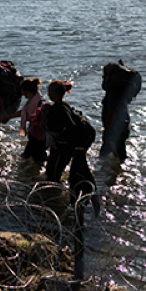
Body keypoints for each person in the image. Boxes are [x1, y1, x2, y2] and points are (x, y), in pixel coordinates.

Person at [45, 80, 99, 214]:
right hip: (80, 139)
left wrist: (65, 145)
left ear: (55, 93)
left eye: (49, 92)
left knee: (75, 171)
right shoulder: (60, 105)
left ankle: (81, 201)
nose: (48, 95)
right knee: (73, 170)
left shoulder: (60, 107)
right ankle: (82, 200)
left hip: (78, 141)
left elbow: (71, 127)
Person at [99, 60, 142, 161]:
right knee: (107, 155)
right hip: (121, 128)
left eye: (105, 75)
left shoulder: (115, 94)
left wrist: (106, 133)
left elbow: (111, 114)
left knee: (119, 156)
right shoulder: (119, 91)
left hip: (114, 131)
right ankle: (111, 173)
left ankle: (119, 173)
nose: (103, 77)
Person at [18, 77, 48, 165]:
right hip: (34, 133)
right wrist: (10, 116)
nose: (23, 95)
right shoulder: (33, 100)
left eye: (24, 93)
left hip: (39, 135)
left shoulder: (39, 103)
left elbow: (42, 117)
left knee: (38, 158)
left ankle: (39, 175)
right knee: (27, 156)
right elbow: (25, 112)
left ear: (28, 92)